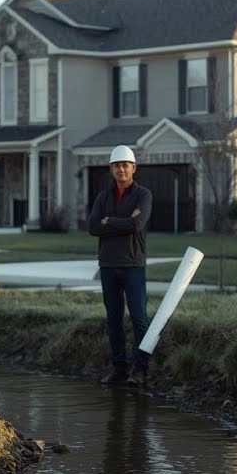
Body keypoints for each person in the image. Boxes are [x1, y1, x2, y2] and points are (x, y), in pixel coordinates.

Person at [87, 145, 152, 386]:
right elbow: (93, 227)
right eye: (117, 166)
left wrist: (109, 221)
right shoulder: (103, 197)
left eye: (125, 165)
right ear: (111, 169)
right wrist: (123, 221)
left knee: (139, 317)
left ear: (133, 168)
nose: (121, 169)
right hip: (107, 264)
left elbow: (137, 226)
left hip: (133, 264)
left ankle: (140, 369)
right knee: (113, 318)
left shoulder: (143, 195)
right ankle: (119, 368)